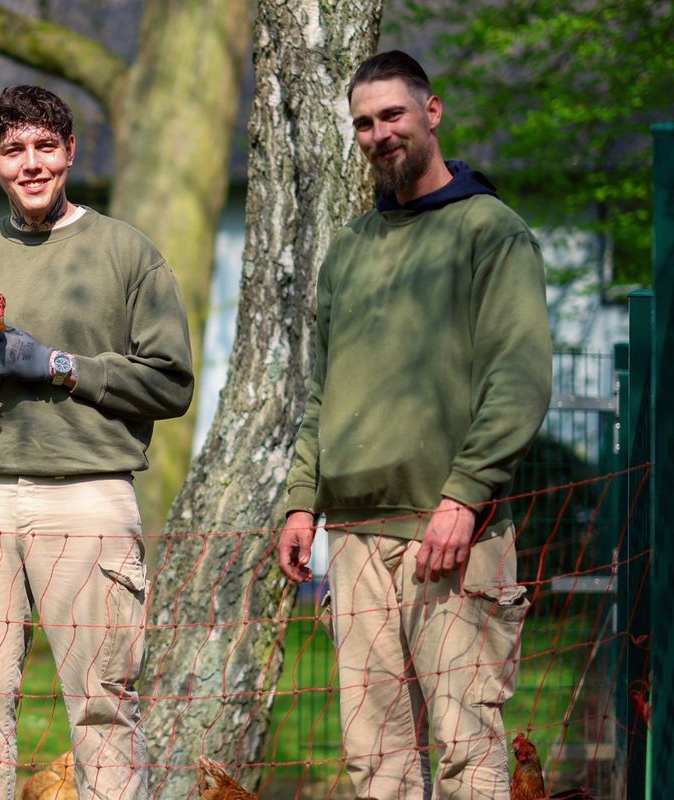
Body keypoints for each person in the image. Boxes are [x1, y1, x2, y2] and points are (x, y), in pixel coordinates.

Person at [277, 51, 552, 799]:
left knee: (467, 751)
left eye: (392, 114)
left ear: (431, 113)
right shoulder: (351, 249)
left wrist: (465, 496)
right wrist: (304, 499)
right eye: (364, 123)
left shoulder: (491, 233)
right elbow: (321, 393)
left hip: (452, 535)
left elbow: (519, 379)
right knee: (377, 762)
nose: (378, 133)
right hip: (358, 542)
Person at [0, 85, 193, 799]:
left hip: (88, 496)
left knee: (103, 707)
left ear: (70, 152)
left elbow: (172, 385)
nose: (32, 163)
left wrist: (57, 366)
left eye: (46, 146)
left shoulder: (128, 254)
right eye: (15, 151)